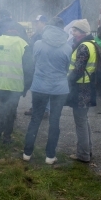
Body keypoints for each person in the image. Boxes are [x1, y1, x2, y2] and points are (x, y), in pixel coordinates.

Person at [23, 17, 71, 164]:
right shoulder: (68, 47)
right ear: (63, 29)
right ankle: (50, 156)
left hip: (39, 86)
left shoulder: (38, 44)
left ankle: (27, 153)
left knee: (35, 119)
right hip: (59, 88)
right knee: (54, 121)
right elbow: (66, 67)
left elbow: (34, 61)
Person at [0, 24, 33, 144]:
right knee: (11, 111)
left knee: (1, 108)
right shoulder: (23, 44)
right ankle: (6, 137)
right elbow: (29, 68)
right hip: (15, 85)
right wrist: (26, 87)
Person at [66, 19, 96, 163]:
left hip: (81, 88)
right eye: (73, 30)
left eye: (76, 30)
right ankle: (87, 149)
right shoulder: (91, 44)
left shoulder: (83, 46)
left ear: (83, 32)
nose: (73, 32)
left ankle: (83, 154)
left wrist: (67, 81)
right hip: (87, 86)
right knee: (84, 120)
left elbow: (78, 70)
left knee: (80, 122)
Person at [25, 14, 50, 117]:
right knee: (36, 87)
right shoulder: (37, 34)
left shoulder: (47, 34)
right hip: (35, 65)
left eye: (37, 22)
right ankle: (35, 107)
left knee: (44, 87)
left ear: (44, 22)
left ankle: (45, 110)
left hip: (44, 65)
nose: (36, 24)